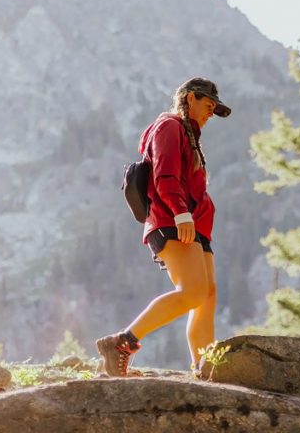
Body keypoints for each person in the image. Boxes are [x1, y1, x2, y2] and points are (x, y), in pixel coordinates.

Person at [96, 78, 231, 376]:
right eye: (208, 106)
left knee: (207, 295)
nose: (210, 113)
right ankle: (122, 342)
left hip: (193, 225)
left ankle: (205, 364)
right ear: (190, 98)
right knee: (193, 292)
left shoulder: (188, 134)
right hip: (172, 220)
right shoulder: (169, 126)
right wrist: (181, 214)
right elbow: (165, 174)